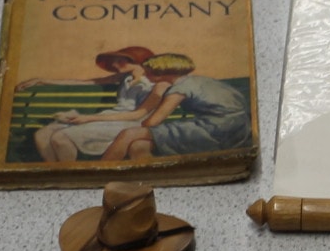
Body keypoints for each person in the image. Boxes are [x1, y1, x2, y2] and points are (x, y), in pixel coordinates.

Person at [99, 52, 250, 162]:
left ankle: (104, 171)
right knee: (139, 145)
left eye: (148, 72)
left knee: (129, 134)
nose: (145, 75)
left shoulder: (179, 89)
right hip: (238, 127)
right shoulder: (198, 80)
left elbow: (152, 122)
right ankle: (150, 177)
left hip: (215, 131)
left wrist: (141, 123)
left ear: (160, 73)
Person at [29, 46, 157, 163]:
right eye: (115, 61)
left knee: (60, 138)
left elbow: (137, 115)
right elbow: (87, 82)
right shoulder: (125, 77)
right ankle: (56, 173)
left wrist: (89, 118)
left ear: (138, 61)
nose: (114, 64)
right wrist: (43, 80)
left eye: (120, 61)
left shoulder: (154, 84)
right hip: (108, 118)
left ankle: (70, 175)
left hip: (129, 124)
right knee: (43, 135)